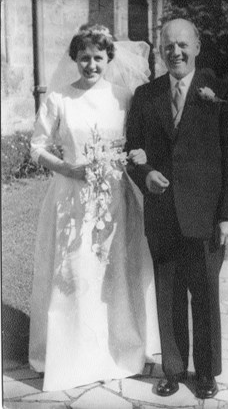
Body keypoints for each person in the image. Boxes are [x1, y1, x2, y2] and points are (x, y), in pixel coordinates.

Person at [29, 24, 160, 391]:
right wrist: (68, 168)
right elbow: (36, 147)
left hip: (115, 199)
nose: (91, 64)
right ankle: (73, 355)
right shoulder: (58, 99)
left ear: (108, 59)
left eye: (98, 58)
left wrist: (137, 156)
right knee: (74, 274)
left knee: (114, 272)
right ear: (75, 58)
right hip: (71, 199)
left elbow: (138, 141)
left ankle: (120, 351)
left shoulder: (123, 96)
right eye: (84, 57)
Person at [126, 18, 228, 399]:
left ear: (197, 47)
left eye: (182, 45)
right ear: (159, 50)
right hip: (162, 215)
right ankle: (174, 370)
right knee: (168, 294)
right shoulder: (146, 95)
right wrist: (145, 175)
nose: (174, 52)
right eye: (167, 46)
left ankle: (207, 372)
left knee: (205, 295)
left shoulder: (220, 91)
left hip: (207, 216)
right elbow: (132, 153)